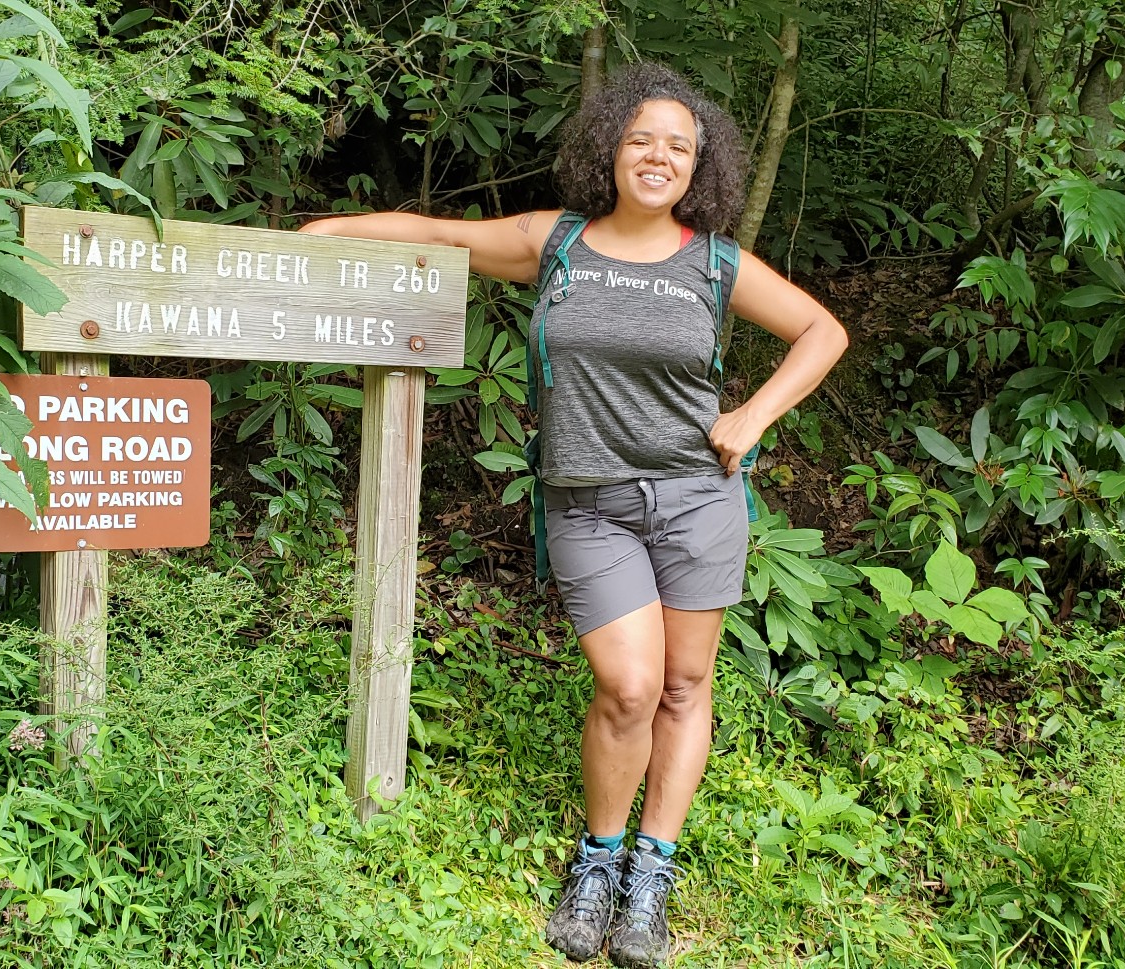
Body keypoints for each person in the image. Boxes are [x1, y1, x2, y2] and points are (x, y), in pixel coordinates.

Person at [299, 62, 847, 968]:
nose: (658, 155)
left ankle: (650, 876)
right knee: (629, 685)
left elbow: (822, 331)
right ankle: (597, 860)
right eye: (641, 139)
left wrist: (753, 415)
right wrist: (333, 230)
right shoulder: (557, 244)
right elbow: (438, 233)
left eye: (678, 144)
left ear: (698, 163)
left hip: (698, 501)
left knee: (683, 686)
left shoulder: (713, 259)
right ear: (612, 150)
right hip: (590, 504)